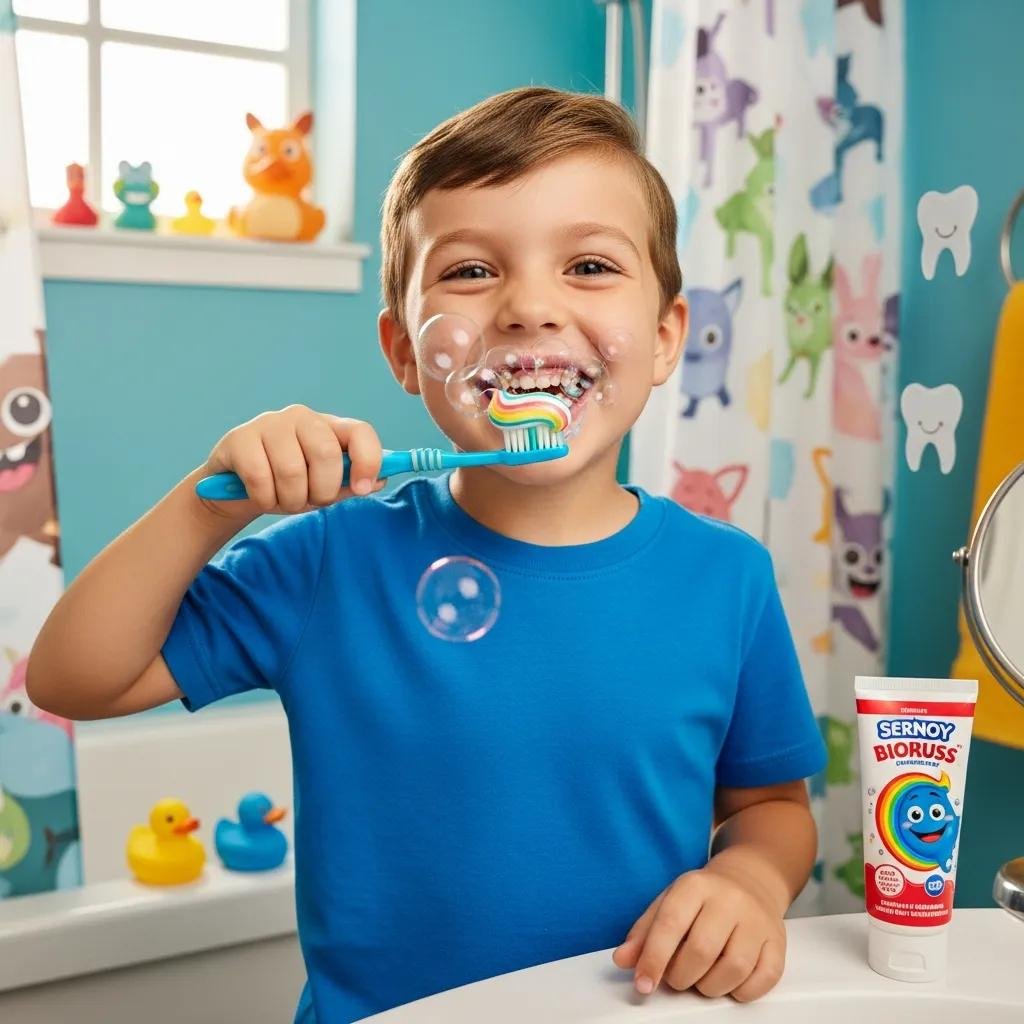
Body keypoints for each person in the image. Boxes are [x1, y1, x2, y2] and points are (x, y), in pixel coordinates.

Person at [28, 87, 826, 1023]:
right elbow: (71, 677)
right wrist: (214, 504)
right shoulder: (332, 560)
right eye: (474, 271)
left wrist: (751, 882)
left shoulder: (724, 577)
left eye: (590, 264)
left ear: (663, 340)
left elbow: (772, 806)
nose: (531, 305)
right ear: (405, 352)